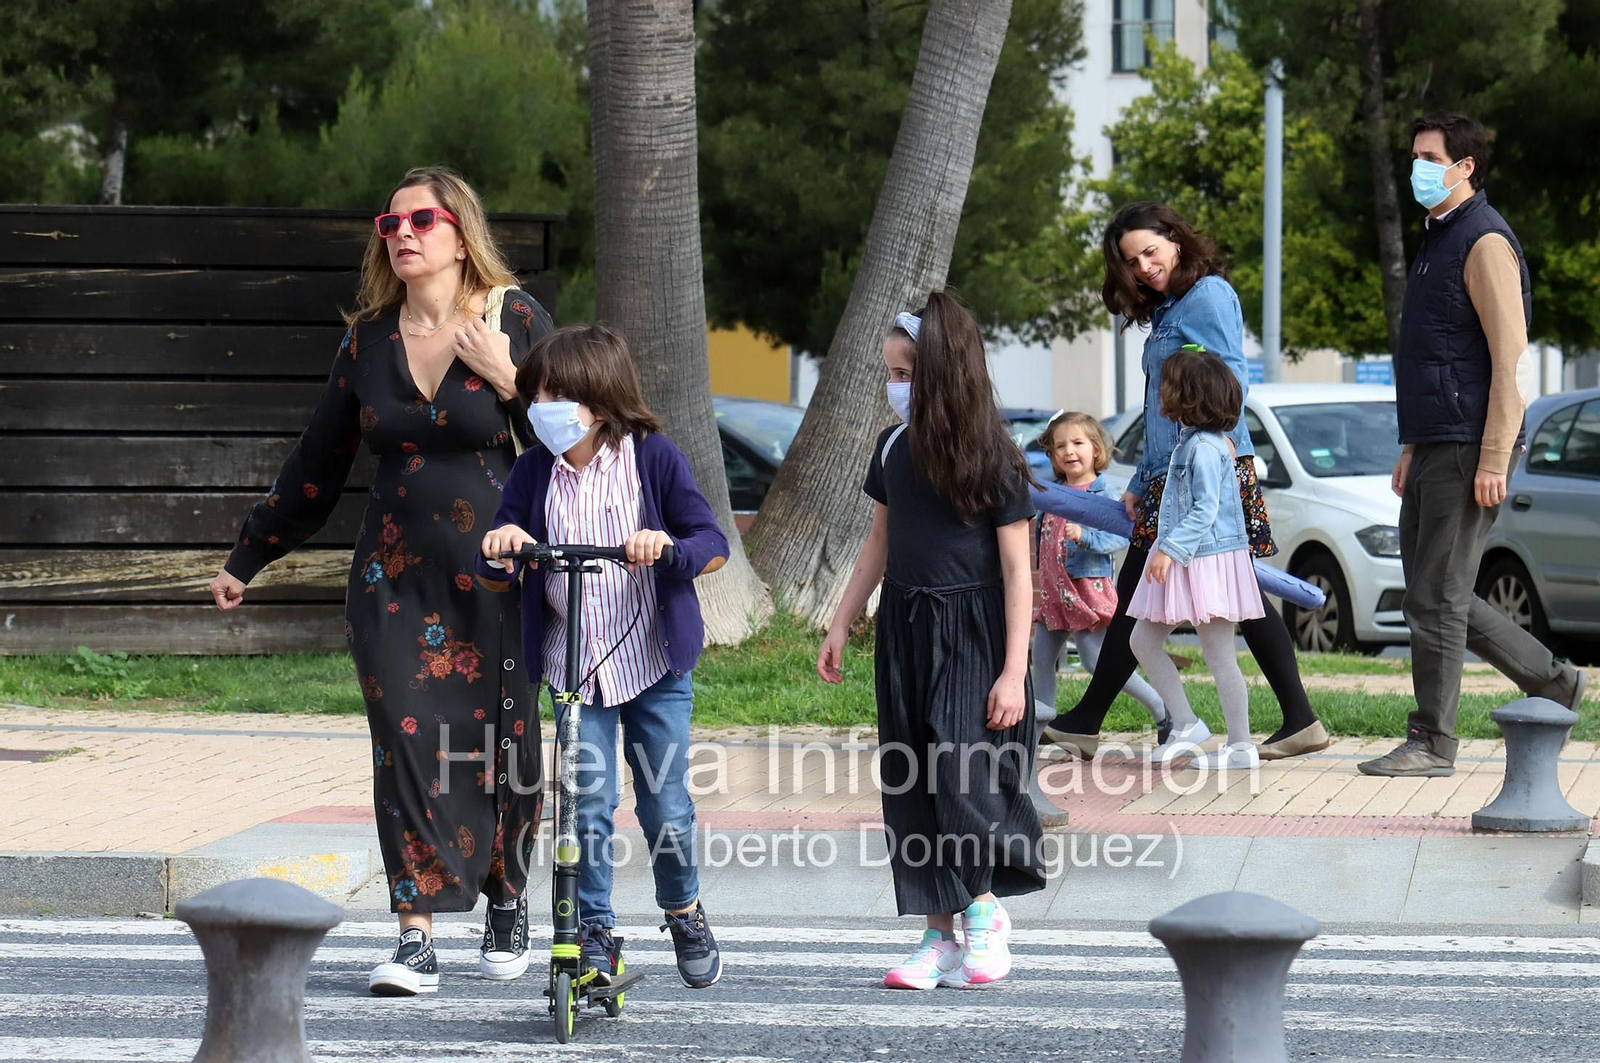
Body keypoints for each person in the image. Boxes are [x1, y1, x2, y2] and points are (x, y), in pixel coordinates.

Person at [210, 168, 554, 995]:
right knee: (403, 739)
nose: (401, 233)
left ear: (460, 233)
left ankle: (506, 894)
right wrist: (250, 551)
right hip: (393, 579)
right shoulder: (366, 342)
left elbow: (576, 439)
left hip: (499, 574)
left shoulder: (515, 318)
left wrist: (509, 377)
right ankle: (415, 933)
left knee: (504, 739)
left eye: (421, 220)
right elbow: (317, 462)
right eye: (390, 223)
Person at [475, 323, 731, 988]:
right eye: (536, 396)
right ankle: (593, 932)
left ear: (599, 398)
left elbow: (711, 542)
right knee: (586, 804)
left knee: (664, 803)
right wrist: (503, 546)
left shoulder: (653, 458)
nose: (541, 409)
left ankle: (683, 908)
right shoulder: (535, 469)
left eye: (554, 396)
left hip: (651, 661)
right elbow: (503, 554)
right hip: (574, 665)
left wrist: (666, 547)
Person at [1041, 201, 1328, 762]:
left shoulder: (1208, 295)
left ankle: (1093, 720)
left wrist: (1209, 453)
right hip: (1170, 471)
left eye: (1150, 252)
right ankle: (1298, 718)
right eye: (1131, 262)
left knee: (1156, 592)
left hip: (1206, 470)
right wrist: (1142, 477)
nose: (1144, 267)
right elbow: (1160, 407)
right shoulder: (1171, 306)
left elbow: (1228, 380)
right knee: (1221, 593)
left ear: (1176, 238)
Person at [817, 291, 1045, 990]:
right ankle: (938, 935)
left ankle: (984, 912)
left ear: (946, 373)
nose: (896, 386)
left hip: (974, 630)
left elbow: (1018, 570)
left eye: (908, 373)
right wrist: (842, 618)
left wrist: (1013, 670)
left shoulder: (994, 457)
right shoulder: (891, 448)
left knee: (961, 773)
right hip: (906, 626)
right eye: (891, 373)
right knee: (912, 778)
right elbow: (878, 542)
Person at [1361, 113, 1587, 777]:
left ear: (1465, 167)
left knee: (1436, 596)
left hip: (1468, 445)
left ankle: (1432, 741)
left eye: (1430, 158)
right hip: (1436, 441)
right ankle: (1553, 681)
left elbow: (1511, 360)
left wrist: (1495, 456)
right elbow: (1432, 355)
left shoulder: (1483, 240)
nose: (1417, 169)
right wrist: (1411, 445)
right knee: (1435, 594)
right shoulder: (1439, 238)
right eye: (1414, 157)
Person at [1127, 349, 1264, 769]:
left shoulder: (1203, 448)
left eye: (1167, 385)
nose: (1160, 392)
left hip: (1203, 559)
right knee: (1143, 640)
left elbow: (1205, 509)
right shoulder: (1194, 443)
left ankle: (1240, 746)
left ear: (1188, 396)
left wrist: (1169, 550)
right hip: (1193, 557)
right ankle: (1186, 723)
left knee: (1218, 653)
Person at [1030, 411, 1168, 737]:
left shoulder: (1103, 494)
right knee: (1042, 659)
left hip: (1086, 594)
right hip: (1055, 596)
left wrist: (1087, 537)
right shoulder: (1051, 494)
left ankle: (1163, 710)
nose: (1069, 451)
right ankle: (1040, 729)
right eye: (1060, 446)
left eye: (1077, 443)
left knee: (1096, 663)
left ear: (1096, 449)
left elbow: (1121, 537)